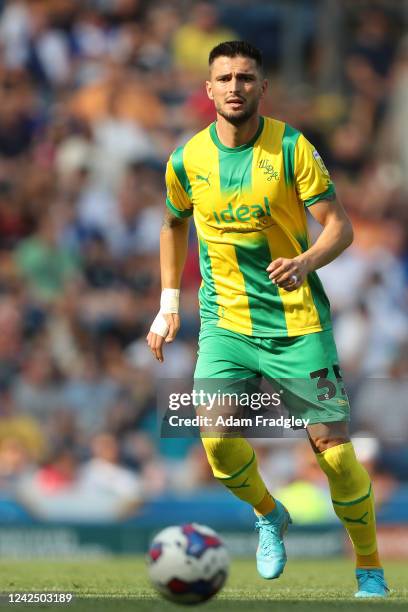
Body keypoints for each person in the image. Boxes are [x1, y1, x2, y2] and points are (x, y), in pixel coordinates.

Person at [147, 41, 388, 598]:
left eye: (246, 77)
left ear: (262, 87)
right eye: (224, 78)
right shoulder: (186, 160)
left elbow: (340, 226)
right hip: (224, 322)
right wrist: (167, 306)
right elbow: (171, 225)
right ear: (208, 90)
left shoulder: (292, 148)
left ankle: (370, 569)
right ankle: (268, 513)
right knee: (216, 442)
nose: (235, 87)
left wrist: (305, 262)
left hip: (296, 324)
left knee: (338, 457)